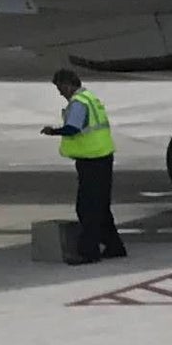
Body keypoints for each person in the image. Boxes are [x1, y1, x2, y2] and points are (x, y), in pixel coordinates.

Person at [40, 66, 123, 262]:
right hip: (102, 157)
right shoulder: (90, 98)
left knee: (87, 208)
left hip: (92, 160)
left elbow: (73, 129)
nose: (60, 92)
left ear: (68, 85)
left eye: (60, 88)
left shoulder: (78, 103)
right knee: (101, 206)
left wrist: (53, 132)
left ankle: (88, 252)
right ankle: (114, 246)